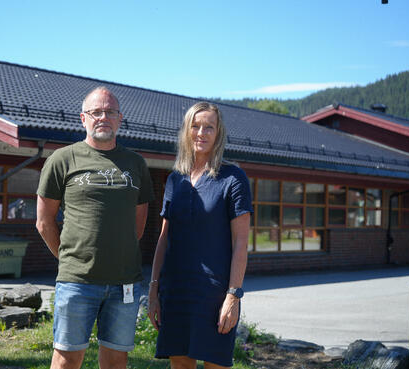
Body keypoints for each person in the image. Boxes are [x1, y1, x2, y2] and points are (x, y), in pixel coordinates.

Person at [36, 86, 154, 369]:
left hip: (124, 282)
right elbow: (43, 222)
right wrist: (70, 259)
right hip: (77, 283)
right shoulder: (62, 159)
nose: (104, 117)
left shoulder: (135, 163)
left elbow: (139, 222)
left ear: (120, 119)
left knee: (116, 361)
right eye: (96, 112)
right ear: (83, 118)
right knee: (66, 359)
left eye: (110, 112)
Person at [148, 101, 253, 369]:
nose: (201, 133)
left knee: (215, 364)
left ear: (219, 133)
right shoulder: (175, 180)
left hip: (214, 293)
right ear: (186, 131)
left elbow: (241, 243)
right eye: (195, 126)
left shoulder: (233, 178)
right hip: (176, 291)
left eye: (209, 127)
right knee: (180, 364)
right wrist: (154, 290)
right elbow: (164, 240)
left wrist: (233, 295)